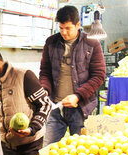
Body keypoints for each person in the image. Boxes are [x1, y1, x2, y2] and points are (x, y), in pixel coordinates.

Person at [39, 5, 106, 145]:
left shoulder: (91, 42)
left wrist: (78, 96)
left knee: (81, 150)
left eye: (68, 28)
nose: (64, 32)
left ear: (78, 25)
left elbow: (99, 75)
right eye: (61, 27)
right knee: (48, 149)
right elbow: (45, 72)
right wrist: (45, 90)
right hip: (56, 106)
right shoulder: (51, 43)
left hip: (81, 108)